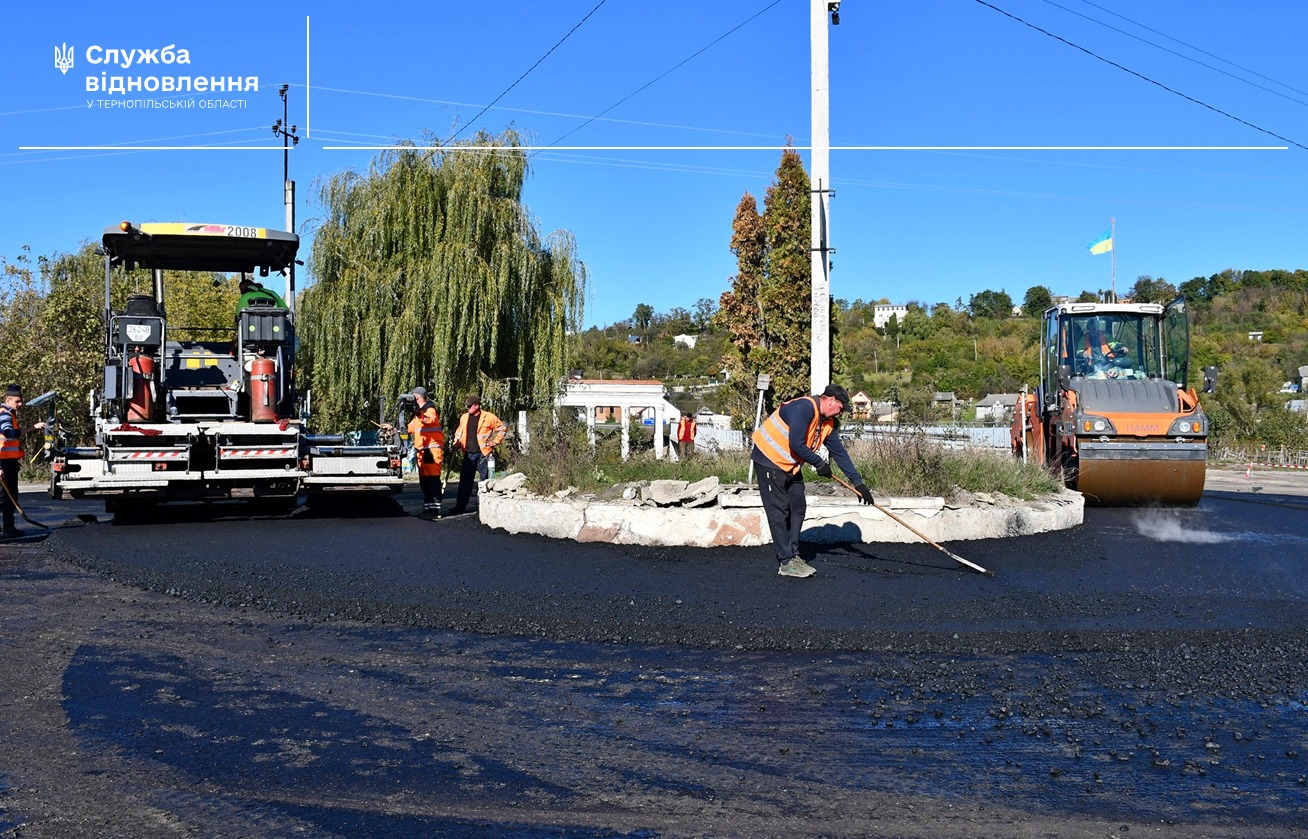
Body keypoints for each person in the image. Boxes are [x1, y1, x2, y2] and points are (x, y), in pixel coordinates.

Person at [751, 384, 874, 578]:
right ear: (831, 400)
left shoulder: (827, 423)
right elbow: (796, 443)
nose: (840, 413)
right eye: (841, 408)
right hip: (768, 459)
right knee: (779, 510)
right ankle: (786, 562)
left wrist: (858, 484)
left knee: (797, 506)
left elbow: (840, 454)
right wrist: (819, 463)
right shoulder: (803, 408)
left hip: (789, 465)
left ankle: (793, 554)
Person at [1, 384, 46, 537]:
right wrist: (32, 427)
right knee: (7, 497)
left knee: (9, 496)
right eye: (17, 401)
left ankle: (8, 527)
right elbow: (7, 433)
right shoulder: (4, 414)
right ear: (8, 400)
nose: (20, 405)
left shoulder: (10, 413)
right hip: (3, 464)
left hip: (9, 462)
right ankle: (8, 529)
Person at [450, 394, 507, 516]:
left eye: (470, 406)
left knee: (484, 481)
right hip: (468, 453)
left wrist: (494, 442)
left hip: (483, 453)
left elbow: (502, 429)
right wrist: (456, 443)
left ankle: (483, 507)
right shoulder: (464, 417)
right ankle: (460, 506)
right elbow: (459, 432)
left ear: (477, 406)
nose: (468, 408)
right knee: (465, 481)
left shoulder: (489, 417)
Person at [403, 387, 445, 517]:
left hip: (431, 450)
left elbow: (428, 420)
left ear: (416, 397)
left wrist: (418, 413)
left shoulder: (429, 410)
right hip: (423, 451)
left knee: (432, 480)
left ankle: (434, 510)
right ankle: (428, 509)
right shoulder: (419, 415)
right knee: (425, 482)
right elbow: (410, 428)